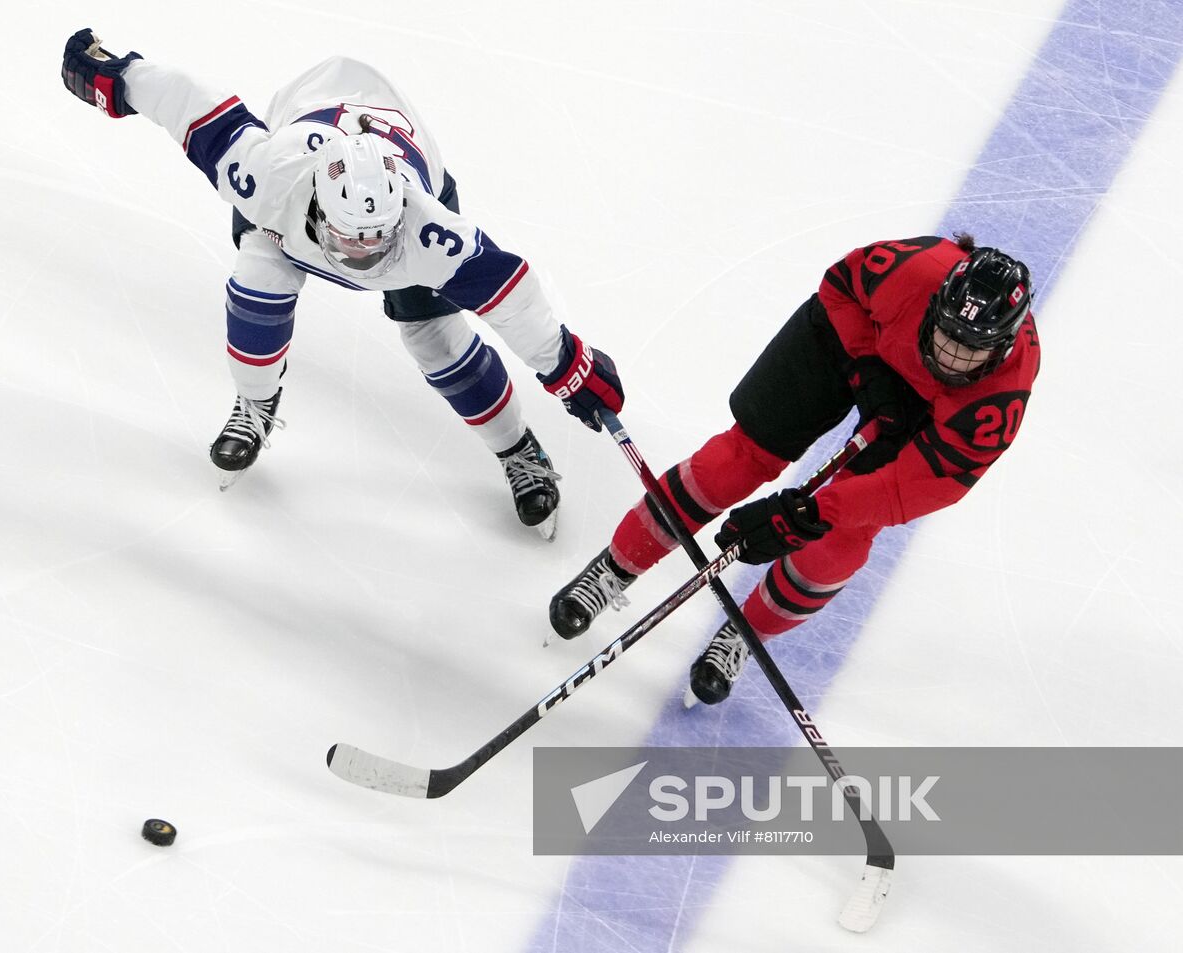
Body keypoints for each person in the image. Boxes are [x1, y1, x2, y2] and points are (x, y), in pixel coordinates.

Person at [59, 30, 624, 536]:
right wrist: (120, 74)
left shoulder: (426, 230)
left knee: (436, 341)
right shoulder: (268, 175)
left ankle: (517, 447)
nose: (362, 254)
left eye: (377, 238)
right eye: (351, 238)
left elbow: (511, 294)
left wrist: (567, 363)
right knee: (256, 281)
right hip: (303, 150)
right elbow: (187, 103)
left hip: (392, 151)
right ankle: (256, 403)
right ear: (321, 210)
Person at [548, 234, 1041, 703]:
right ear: (935, 304)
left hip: (930, 411)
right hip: (858, 338)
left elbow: (902, 490)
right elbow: (841, 286)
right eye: (945, 334)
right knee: (736, 460)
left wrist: (807, 514)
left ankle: (747, 631)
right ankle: (614, 568)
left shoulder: (997, 403)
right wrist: (865, 367)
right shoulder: (914, 272)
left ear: (1002, 348)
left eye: (971, 349)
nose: (949, 356)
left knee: (842, 538)